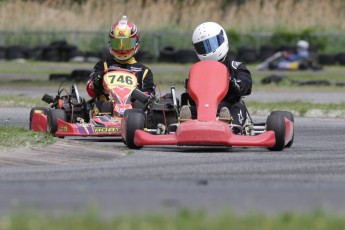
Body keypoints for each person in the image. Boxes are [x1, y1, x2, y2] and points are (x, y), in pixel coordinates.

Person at [180, 21, 252, 134]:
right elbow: (190, 97)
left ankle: (232, 127)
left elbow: (245, 88)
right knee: (187, 110)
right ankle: (185, 125)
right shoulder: (197, 70)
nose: (208, 50)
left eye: (211, 44)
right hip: (202, 110)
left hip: (228, 108)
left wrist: (232, 82)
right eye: (203, 47)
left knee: (239, 107)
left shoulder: (236, 67)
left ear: (222, 39)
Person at [86, 15, 155, 114]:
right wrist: (100, 77)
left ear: (136, 43)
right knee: (102, 104)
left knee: (141, 105)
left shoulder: (144, 71)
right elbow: (90, 90)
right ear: (111, 43)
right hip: (106, 110)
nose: (122, 49)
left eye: (126, 44)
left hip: (134, 114)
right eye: (118, 44)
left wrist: (132, 93)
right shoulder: (103, 65)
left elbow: (149, 99)